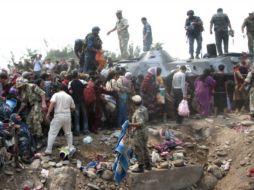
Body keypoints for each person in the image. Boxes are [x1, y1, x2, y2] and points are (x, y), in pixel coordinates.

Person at [15, 77, 47, 147]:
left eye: (21, 85)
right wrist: (18, 112)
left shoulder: (32, 86)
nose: (20, 87)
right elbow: (24, 103)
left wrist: (43, 103)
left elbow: (42, 93)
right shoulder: (23, 91)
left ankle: (40, 139)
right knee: (28, 121)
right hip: (32, 106)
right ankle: (34, 137)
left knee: (36, 120)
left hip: (38, 103)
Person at [45, 84, 76, 155]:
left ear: (59, 89)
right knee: (68, 132)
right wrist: (67, 111)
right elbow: (73, 108)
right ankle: (70, 147)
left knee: (52, 133)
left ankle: (48, 150)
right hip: (67, 116)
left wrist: (48, 113)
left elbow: (52, 103)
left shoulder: (56, 95)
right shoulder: (69, 96)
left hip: (58, 116)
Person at [129, 95, 151, 173]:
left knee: (139, 149)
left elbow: (140, 123)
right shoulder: (144, 108)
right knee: (144, 148)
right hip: (145, 131)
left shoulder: (138, 112)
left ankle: (140, 166)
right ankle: (148, 164)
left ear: (134, 103)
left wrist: (130, 124)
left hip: (139, 132)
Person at [68, 70, 89, 135]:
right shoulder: (83, 81)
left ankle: (77, 130)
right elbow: (87, 88)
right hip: (82, 100)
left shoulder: (70, 82)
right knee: (84, 115)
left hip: (75, 101)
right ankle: (85, 130)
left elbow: (70, 92)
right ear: (77, 75)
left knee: (77, 116)